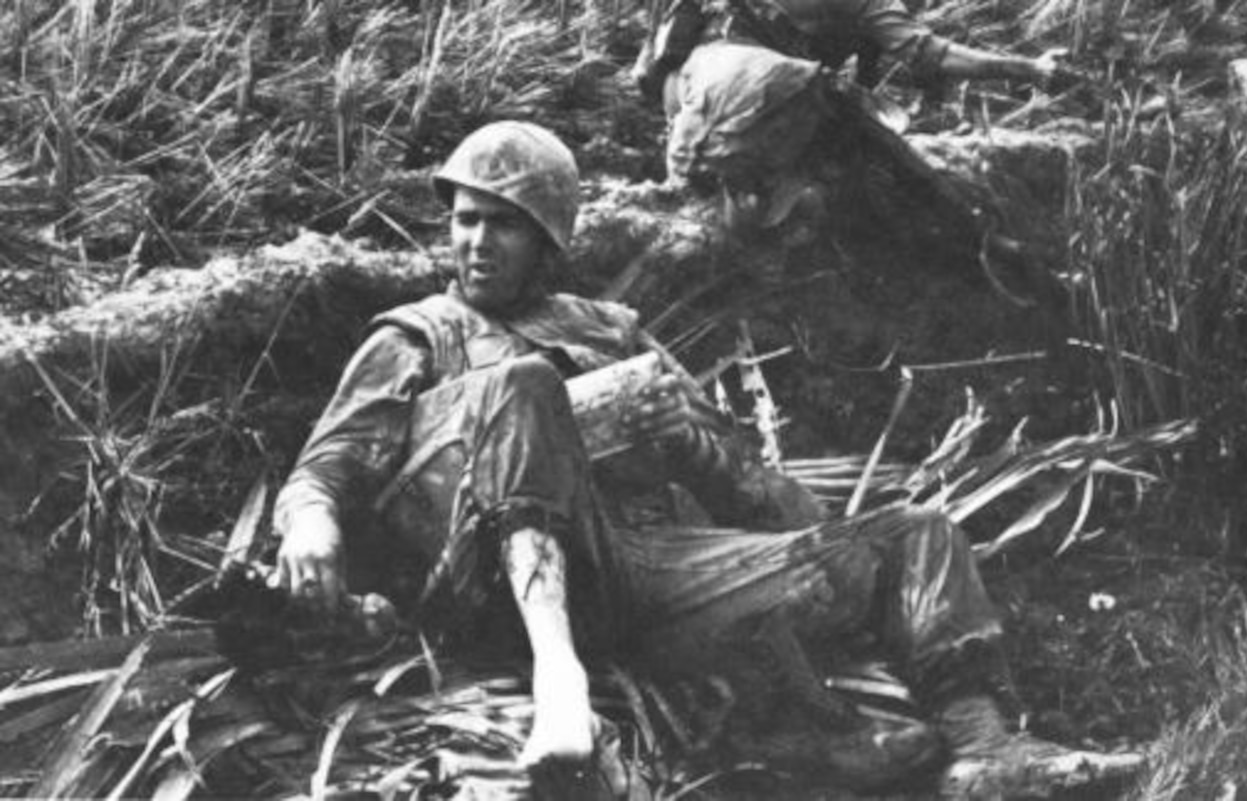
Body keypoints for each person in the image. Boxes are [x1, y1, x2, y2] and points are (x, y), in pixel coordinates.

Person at [271, 120, 1139, 797]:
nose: (477, 242)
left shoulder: (607, 330)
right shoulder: (420, 333)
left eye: (504, 224)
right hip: (496, 582)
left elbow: (753, 488)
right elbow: (329, 463)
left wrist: (695, 442)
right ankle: (562, 682)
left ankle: (983, 750)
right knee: (523, 384)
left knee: (915, 532)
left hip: (646, 566)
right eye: (466, 220)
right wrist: (310, 524)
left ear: (550, 239)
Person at [634, 0, 1076, 304]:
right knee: (883, 165)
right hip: (775, 89)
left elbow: (648, 77)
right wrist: (1030, 69)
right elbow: (928, 54)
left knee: (835, 160)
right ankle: (991, 250)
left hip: (695, 108)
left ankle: (755, 206)